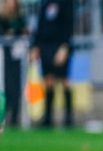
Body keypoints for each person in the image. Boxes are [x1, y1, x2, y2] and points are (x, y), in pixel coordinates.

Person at [29, 0, 74, 128]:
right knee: (48, 80)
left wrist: (65, 47)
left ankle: (68, 119)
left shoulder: (66, 3)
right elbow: (40, 25)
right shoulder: (45, 3)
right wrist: (35, 46)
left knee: (64, 80)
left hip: (60, 45)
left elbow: (69, 26)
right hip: (46, 46)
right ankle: (48, 119)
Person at [0, 0, 28, 127]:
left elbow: (24, 32)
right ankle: (4, 116)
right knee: (5, 86)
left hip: (16, 58)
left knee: (16, 86)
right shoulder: (2, 18)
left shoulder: (20, 18)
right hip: (4, 57)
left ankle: (15, 116)